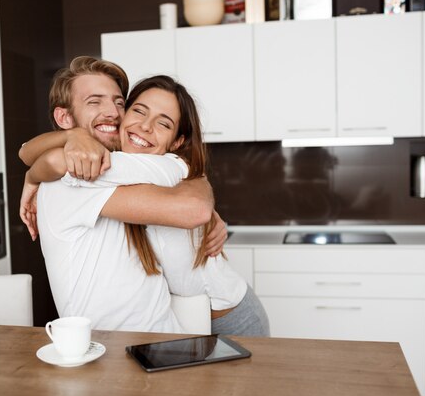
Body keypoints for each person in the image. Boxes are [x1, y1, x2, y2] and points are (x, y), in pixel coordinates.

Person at [30, 75, 268, 336]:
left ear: (177, 142)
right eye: (138, 111)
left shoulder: (165, 166)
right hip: (187, 319)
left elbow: (55, 162)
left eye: (163, 123)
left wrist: (34, 174)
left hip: (231, 316)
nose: (144, 126)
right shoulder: (124, 174)